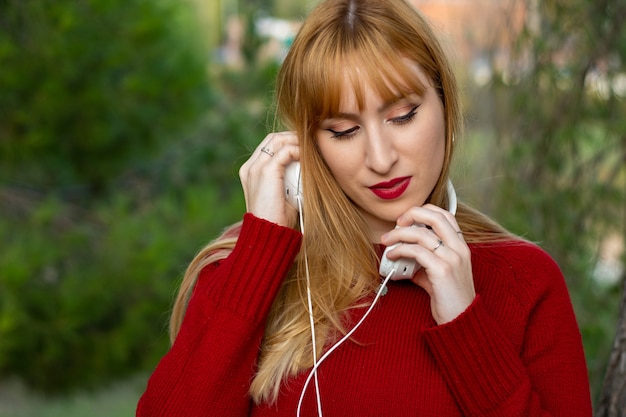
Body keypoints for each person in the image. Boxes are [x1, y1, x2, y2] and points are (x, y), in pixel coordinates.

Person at [136, 0, 593, 415]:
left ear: (445, 104)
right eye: (342, 131)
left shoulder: (525, 282)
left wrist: (466, 324)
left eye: (402, 116)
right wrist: (258, 253)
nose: (380, 158)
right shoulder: (248, 268)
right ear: (306, 144)